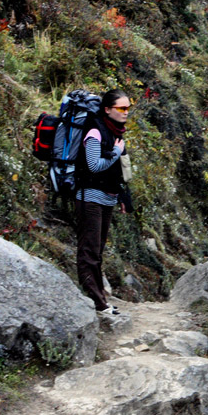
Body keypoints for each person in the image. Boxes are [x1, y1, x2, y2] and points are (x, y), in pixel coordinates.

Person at [75, 88, 130, 315]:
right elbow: (94, 166)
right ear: (107, 109)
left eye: (128, 108)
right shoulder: (95, 131)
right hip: (90, 196)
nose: (126, 112)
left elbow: (119, 170)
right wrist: (116, 152)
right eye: (122, 108)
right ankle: (97, 302)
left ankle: (101, 300)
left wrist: (124, 197)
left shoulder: (116, 131)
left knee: (97, 251)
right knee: (89, 250)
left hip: (107, 198)